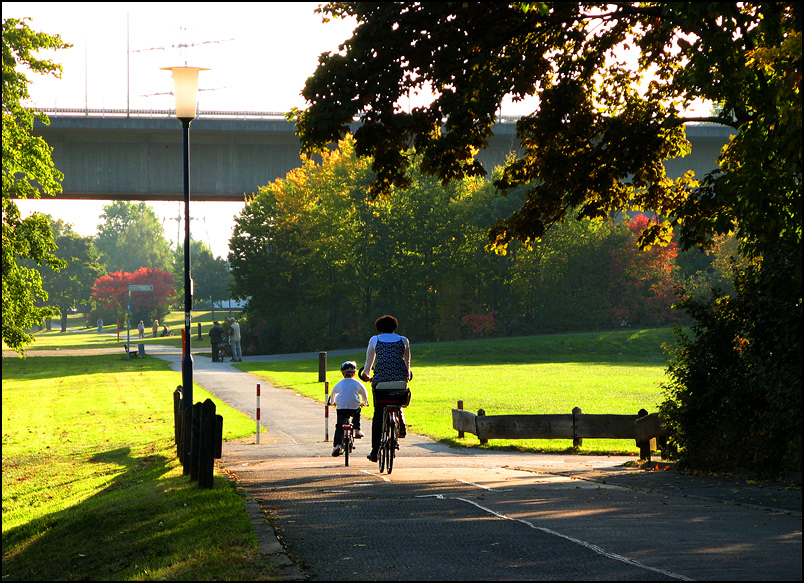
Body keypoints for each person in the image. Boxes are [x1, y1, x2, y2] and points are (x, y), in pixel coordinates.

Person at [361, 315, 411, 462]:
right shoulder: (403, 340)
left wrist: (366, 374)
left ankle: (375, 450)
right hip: (400, 382)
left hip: (381, 383)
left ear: (379, 327)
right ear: (395, 326)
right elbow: (407, 362)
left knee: (378, 413)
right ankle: (401, 422)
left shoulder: (375, 340)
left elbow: (369, 362)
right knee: (398, 401)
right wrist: (407, 376)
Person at [328, 361, 368, 457]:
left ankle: (337, 445)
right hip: (353, 406)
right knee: (357, 412)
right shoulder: (357, 383)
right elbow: (364, 393)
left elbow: (333, 394)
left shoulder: (339, 383)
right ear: (354, 374)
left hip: (341, 407)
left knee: (339, 426)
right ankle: (357, 429)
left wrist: (333, 402)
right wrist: (365, 402)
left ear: (343, 374)